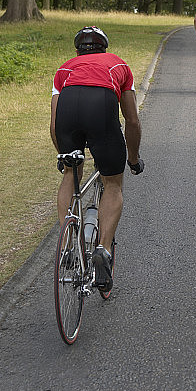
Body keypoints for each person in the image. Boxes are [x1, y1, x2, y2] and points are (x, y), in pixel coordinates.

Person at [50, 26, 144, 292]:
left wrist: (63, 155)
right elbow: (132, 120)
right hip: (101, 107)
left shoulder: (65, 69)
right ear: (104, 47)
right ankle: (102, 248)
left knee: (71, 173)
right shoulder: (118, 65)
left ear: (77, 51)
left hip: (69, 109)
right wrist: (133, 158)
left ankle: (68, 243)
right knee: (112, 184)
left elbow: (54, 122)